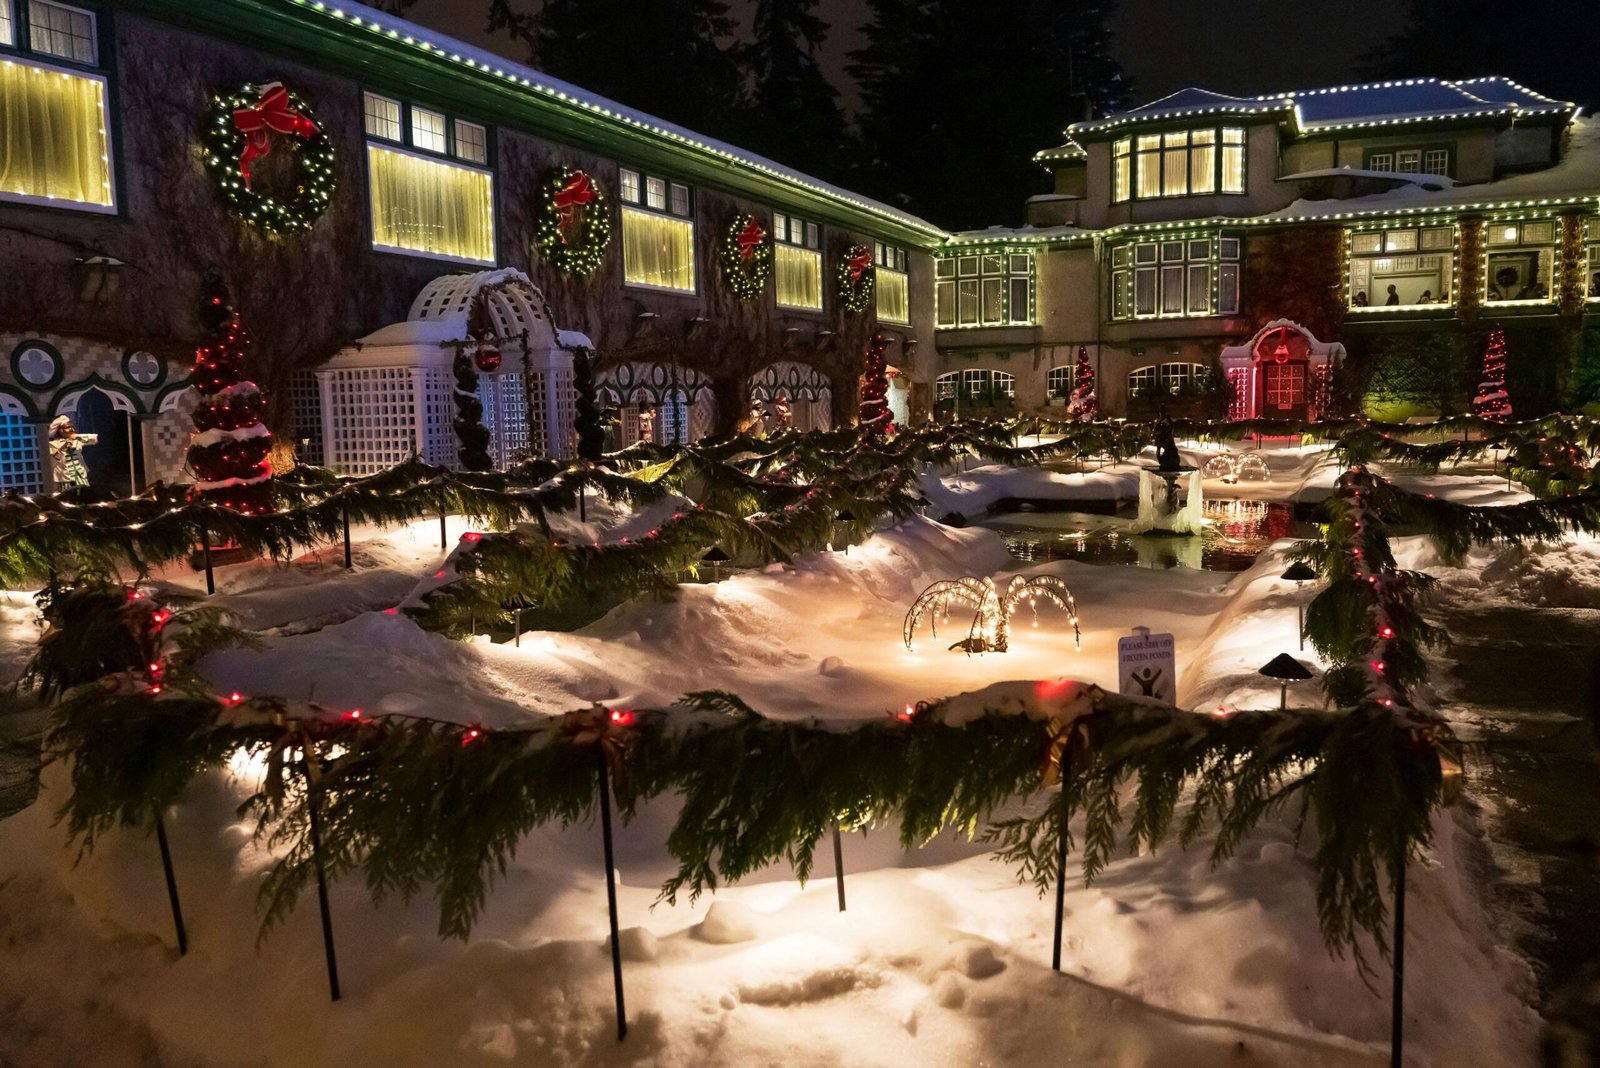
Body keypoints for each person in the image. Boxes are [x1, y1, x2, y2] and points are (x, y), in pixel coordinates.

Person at [48, 415, 98, 492]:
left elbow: (94, 439)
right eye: (68, 427)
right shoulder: (53, 444)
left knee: (84, 494)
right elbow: (52, 456)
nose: (72, 429)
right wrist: (64, 445)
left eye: (72, 426)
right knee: (67, 496)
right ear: (60, 430)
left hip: (79, 474)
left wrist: (77, 436)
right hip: (64, 477)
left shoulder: (77, 440)